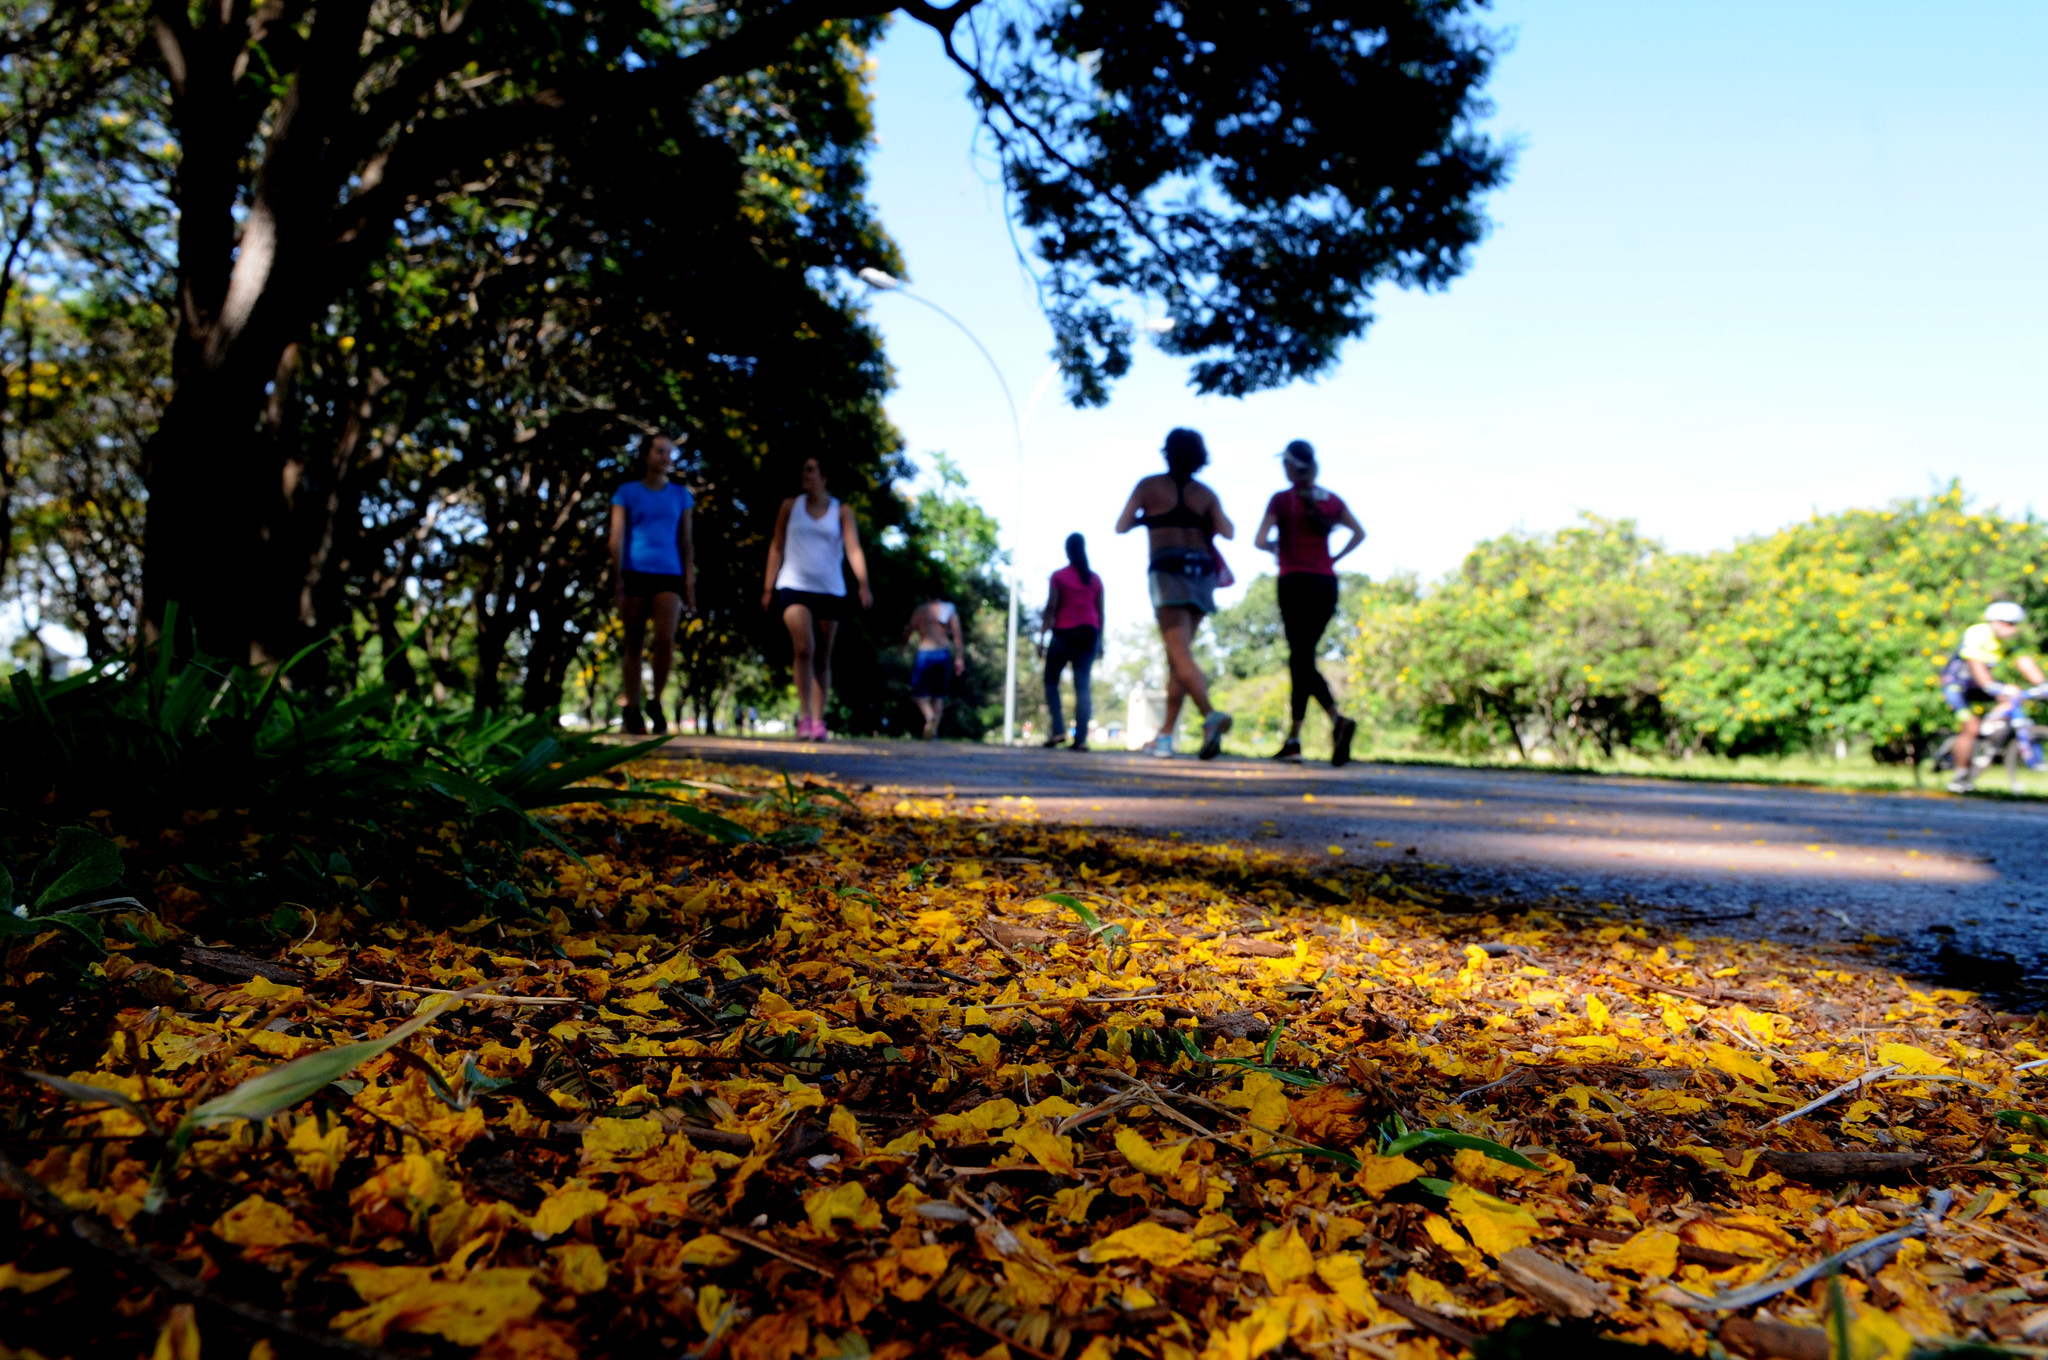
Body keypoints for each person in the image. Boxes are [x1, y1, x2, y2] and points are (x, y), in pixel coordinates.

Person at [1114, 427, 1234, 759]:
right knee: (1178, 658)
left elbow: (1121, 525)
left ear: (1167, 452)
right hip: (1201, 571)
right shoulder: (1205, 494)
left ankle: (1210, 715)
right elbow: (1228, 531)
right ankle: (1165, 735)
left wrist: (1147, 520)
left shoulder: (1149, 486)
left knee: (1178, 652)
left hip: (1167, 570)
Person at [1253, 440, 1366, 766]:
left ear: (1290, 466)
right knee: (1303, 658)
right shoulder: (1331, 499)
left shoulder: (1281, 500)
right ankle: (1296, 737)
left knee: (1300, 659)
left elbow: (1259, 540)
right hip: (1325, 583)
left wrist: (1277, 548)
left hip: (1295, 582)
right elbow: (1359, 533)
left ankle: (1330, 722)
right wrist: (1334, 557)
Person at [761, 455, 872, 740]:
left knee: (823, 656)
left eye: (811, 470)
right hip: (793, 585)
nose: (805, 474)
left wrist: (863, 583)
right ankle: (805, 715)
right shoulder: (790, 506)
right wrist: (768, 587)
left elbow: (853, 549)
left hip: (830, 588)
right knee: (804, 648)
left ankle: (819, 720)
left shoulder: (841, 511)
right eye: (804, 469)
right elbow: (776, 546)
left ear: (824, 477)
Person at [609, 433, 694, 735]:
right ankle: (631, 708)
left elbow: (686, 542)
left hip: (669, 575)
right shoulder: (626, 493)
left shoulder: (681, 495)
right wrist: (617, 579)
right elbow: (616, 539)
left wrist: (689, 586)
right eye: (659, 451)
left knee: (665, 639)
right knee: (633, 644)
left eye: (668, 452)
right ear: (645, 455)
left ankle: (655, 700)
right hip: (635, 573)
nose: (665, 457)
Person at [1941, 601, 2046, 793]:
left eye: (2015, 624)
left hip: (1982, 686)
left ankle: (1988, 738)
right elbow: (1975, 665)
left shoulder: (2008, 640)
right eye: (2009, 624)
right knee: (1971, 727)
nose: (2013, 629)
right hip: (1957, 686)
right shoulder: (1978, 633)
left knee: (2013, 701)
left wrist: (2042, 685)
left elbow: (2024, 662)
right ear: (1995, 622)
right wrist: (1993, 686)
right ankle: (1960, 776)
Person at [1041, 532, 1105, 749]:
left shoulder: (1059, 576)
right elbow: (1100, 613)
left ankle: (1058, 729)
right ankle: (1081, 739)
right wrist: (1101, 643)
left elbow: (1051, 607)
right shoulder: (1094, 579)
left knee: (1051, 681)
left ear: (1067, 550)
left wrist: (1041, 638)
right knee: (1082, 687)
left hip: (1064, 633)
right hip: (1089, 633)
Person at [904, 597, 965, 739]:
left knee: (919, 694)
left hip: (925, 652)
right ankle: (934, 732)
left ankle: (930, 717)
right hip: (943, 652)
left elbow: (910, 629)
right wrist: (959, 657)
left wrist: (902, 647)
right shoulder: (949, 609)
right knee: (938, 696)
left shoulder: (921, 610)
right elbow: (957, 635)